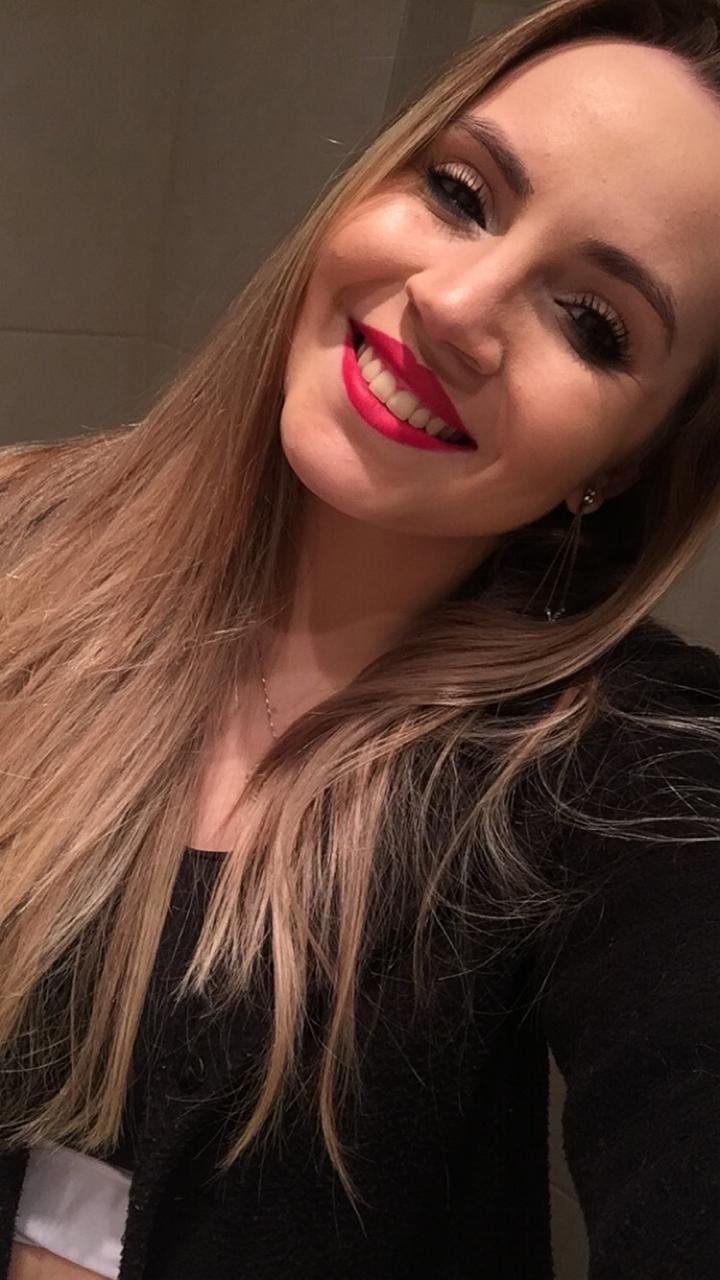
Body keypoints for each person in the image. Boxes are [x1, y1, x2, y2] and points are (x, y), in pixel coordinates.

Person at [2, 0, 720, 1275]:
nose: (454, 302)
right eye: (462, 193)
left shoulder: (629, 769)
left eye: (592, 321)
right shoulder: (20, 531)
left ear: (628, 460)